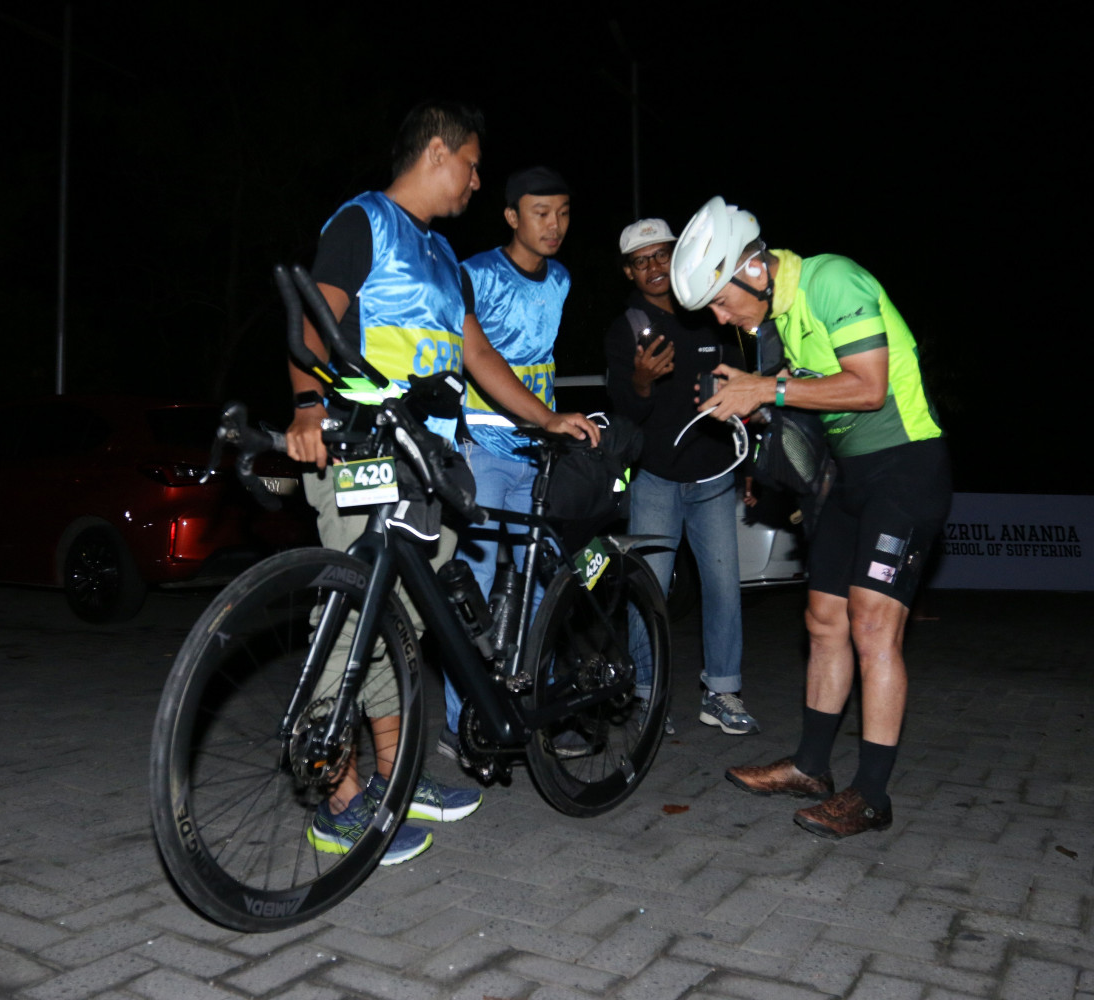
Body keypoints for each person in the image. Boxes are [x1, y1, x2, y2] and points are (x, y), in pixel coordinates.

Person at [284, 103, 599, 863]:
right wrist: (306, 407)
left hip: (432, 462)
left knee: (405, 626)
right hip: (363, 453)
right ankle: (338, 799)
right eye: (472, 164)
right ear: (436, 152)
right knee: (350, 621)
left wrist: (547, 419)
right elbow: (310, 325)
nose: (476, 180)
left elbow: (479, 357)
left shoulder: (442, 255)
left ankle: (396, 777)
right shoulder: (362, 223)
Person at [672, 196, 951, 839]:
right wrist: (754, 402)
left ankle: (872, 796)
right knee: (824, 619)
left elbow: (868, 387)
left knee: (873, 625)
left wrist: (766, 387)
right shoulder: (782, 319)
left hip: (905, 466)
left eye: (721, 301)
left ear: (754, 270)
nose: (721, 317)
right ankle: (810, 768)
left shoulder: (832, 280)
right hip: (846, 475)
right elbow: (807, 398)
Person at [604, 218, 759, 737]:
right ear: (629, 271)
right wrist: (641, 383)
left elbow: (744, 394)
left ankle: (722, 692)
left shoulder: (713, 313)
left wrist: (750, 464)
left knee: (723, 587)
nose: (653, 266)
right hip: (654, 478)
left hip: (714, 474)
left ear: (677, 257)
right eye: (641, 260)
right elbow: (625, 415)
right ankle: (646, 696)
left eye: (661, 254)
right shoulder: (626, 328)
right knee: (648, 591)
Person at [442, 165, 573, 759]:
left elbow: (543, 360)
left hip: (537, 452)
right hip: (482, 450)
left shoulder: (562, 279)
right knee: (471, 588)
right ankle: (460, 724)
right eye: (541, 213)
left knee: (543, 584)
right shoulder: (475, 273)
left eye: (563, 213)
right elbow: (471, 355)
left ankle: (536, 715)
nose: (554, 224)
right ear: (511, 216)